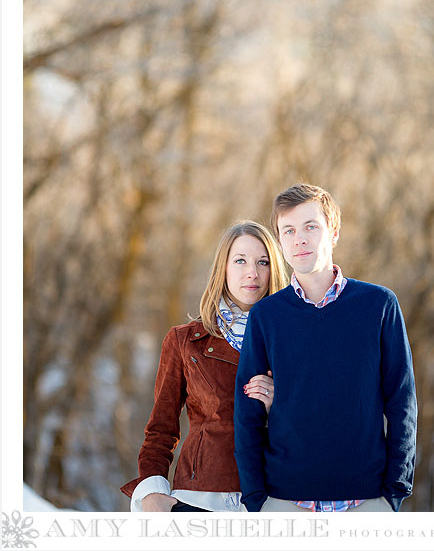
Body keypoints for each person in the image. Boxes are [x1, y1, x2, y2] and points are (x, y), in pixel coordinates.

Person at [233, 182, 417, 513]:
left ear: (333, 233)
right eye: (287, 230)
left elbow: (402, 402)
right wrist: (256, 498)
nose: (298, 239)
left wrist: (394, 491)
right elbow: (246, 415)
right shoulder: (266, 316)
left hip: (367, 502)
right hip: (283, 503)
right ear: (280, 242)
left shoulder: (379, 305)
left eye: (310, 227)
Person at [121, 220, 289, 512]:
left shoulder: (293, 340)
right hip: (201, 495)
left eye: (263, 262)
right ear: (222, 268)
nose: (253, 272)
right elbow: (161, 428)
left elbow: (316, 423)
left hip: (277, 494)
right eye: (240, 261)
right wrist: (152, 491)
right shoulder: (185, 341)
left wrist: (279, 402)